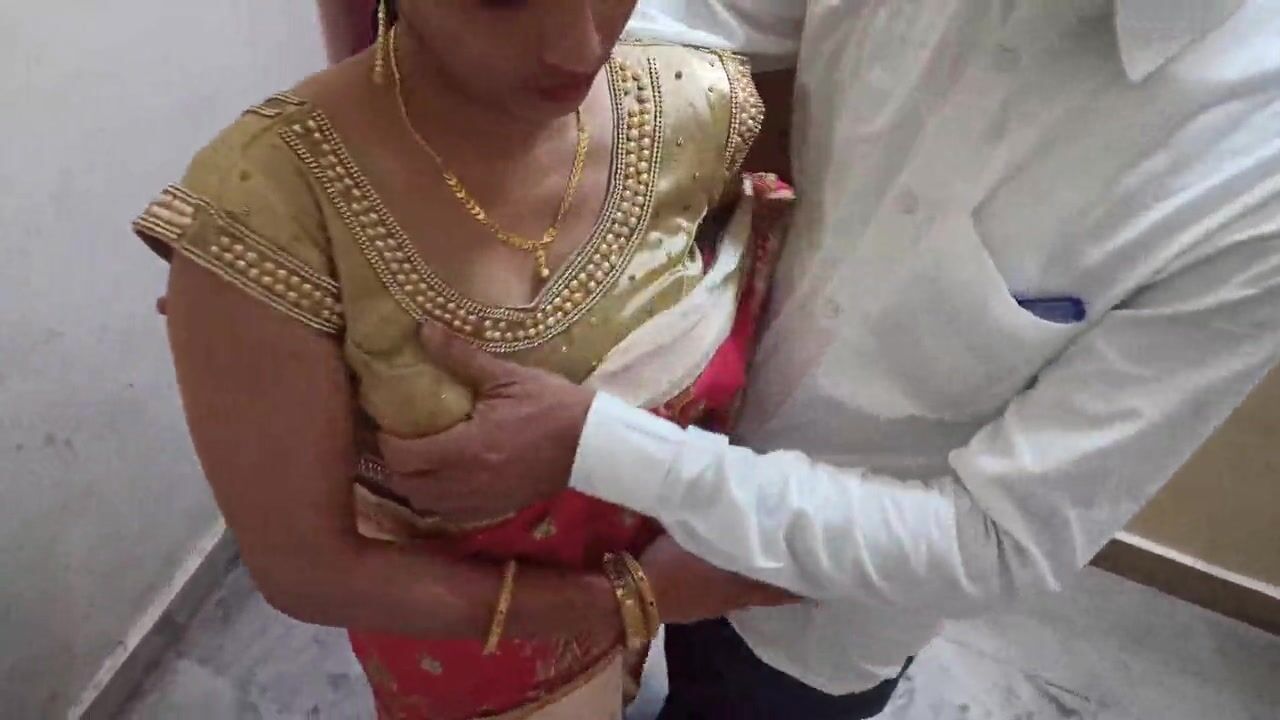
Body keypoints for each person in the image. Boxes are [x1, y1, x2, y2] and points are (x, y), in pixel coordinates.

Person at [376, 1, 1280, 718]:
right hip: (660, 436)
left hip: (813, 610)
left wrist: (598, 449)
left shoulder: (1252, 174)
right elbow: (679, 14)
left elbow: (1001, 540)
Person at [135, 1, 795, 717]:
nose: (579, 47)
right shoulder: (272, 213)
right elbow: (306, 570)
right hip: (468, 655)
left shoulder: (697, 104)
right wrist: (626, 600)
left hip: (675, 564)